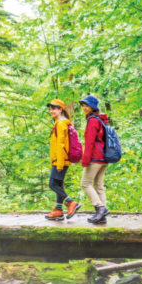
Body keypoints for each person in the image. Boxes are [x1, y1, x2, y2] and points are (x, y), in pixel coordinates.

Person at [45, 99, 81, 221]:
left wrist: (59, 163)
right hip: (61, 159)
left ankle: (70, 202)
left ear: (60, 109)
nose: (51, 111)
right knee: (58, 184)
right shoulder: (59, 123)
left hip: (61, 159)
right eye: (50, 109)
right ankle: (59, 210)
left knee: (52, 184)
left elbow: (61, 145)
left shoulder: (60, 124)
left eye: (54, 108)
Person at [79, 95, 111, 224]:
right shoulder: (101, 120)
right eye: (83, 105)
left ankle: (99, 207)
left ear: (93, 107)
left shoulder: (92, 120)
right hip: (104, 157)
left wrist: (85, 160)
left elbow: (90, 142)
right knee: (99, 186)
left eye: (87, 105)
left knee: (85, 183)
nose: (84, 108)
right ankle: (101, 216)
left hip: (95, 158)